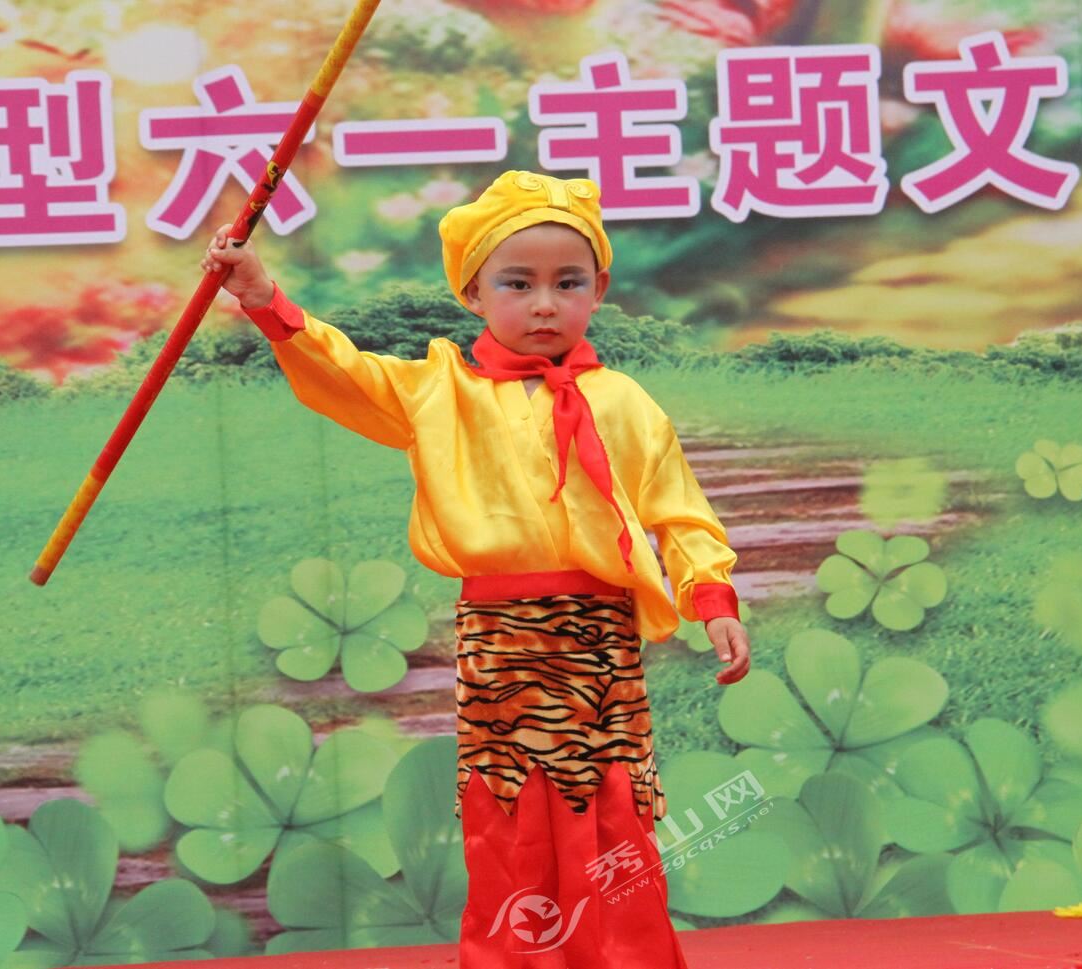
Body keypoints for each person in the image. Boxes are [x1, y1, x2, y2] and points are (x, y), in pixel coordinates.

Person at [203, 169, 751, 968]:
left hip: (599, 636)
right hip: (500, 636)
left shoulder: (624, 401)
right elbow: (343, 372)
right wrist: (263, 296)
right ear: (473, 292)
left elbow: (678, 511)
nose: (544, 304)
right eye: (517, 283)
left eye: (568, 283)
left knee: (610, 807)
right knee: (511, 812)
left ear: (599, 289)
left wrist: (713, 597)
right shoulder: (439, 392)